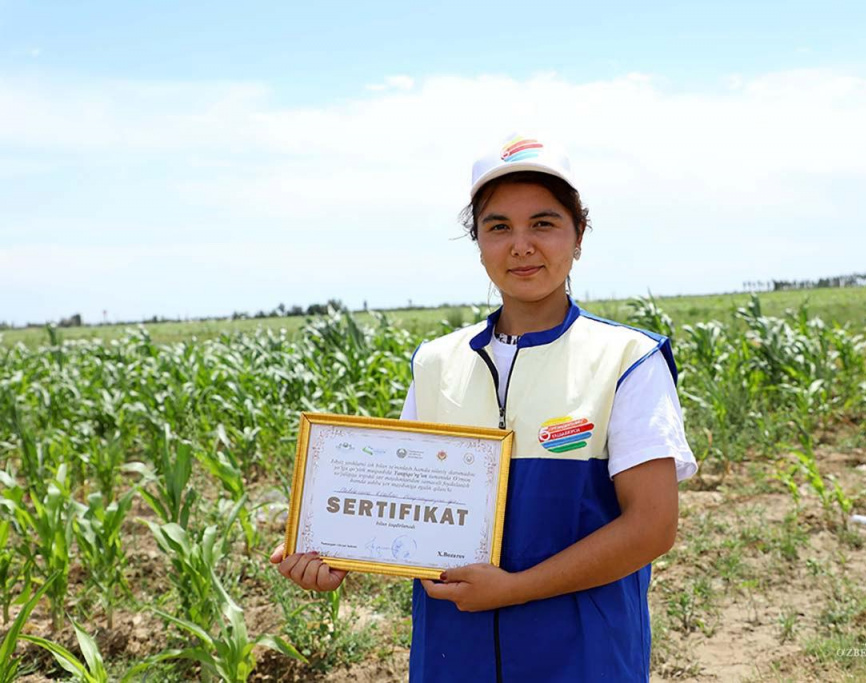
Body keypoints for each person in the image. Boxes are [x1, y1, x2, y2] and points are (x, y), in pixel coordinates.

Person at [271, 133, 697, 682]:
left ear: (579, 235)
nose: (521, 245)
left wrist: (516, 589)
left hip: (584, 655)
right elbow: (396, 507)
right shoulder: (436, 363)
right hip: (454, 651)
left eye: (543, 223)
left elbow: (652, 527)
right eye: (499, 227)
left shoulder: (628, 359)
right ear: (478, 241)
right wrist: (334, 559)